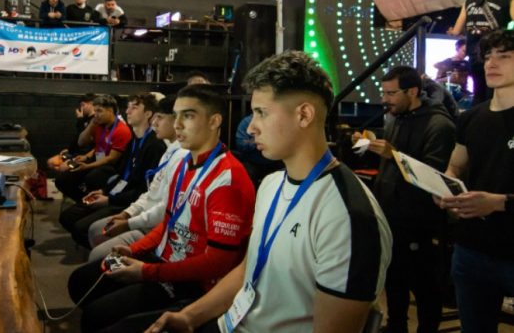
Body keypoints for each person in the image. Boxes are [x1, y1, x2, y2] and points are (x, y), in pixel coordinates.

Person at [146, 51, 392, 333]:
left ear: (304, 115)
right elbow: (249, 269)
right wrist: (190, 317)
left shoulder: (349, 217)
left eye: (261, 113)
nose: (251, 128)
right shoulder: (271, 183)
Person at [68, 84, 255, 332]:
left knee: (96, 317)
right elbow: (169, 223)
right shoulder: (183, 163)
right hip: (163, 260)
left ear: (214, 121)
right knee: (81, 281)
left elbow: (218, 263)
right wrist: (133, 249)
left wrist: (147, 272)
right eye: (176, 115)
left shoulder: (227, 178)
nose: (177, 124)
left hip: (194, 283)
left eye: (188, 116)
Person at [352, 66, 455, 333]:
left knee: (425, 286)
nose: (385, 99)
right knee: (394, 277)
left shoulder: (439, 125)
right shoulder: (396, 118)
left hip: (421, 220)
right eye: (383, 93)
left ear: (412, 91)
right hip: (391, 213)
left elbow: (433, 175)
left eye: (391, 93)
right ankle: (395, 325)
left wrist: (394, 155)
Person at [435, 30, 514, 333]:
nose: (492, 63)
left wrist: (499, 203)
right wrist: (445, 189)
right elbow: (455, 166)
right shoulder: (472, 117)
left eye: (504, 56)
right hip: (472, 248)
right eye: (488, 56)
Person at [87, 96, 188, 262]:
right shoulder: (168, 151)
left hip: (154, 226)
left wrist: (129, 221)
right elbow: (150, 192)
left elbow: (165, 207)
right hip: (142, 212)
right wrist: (127, 213)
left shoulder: (174, 153)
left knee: (96, 254)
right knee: (94, 230)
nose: (155, 122)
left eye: (160, 117)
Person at [59, 93, 166, 248]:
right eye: (128, 107)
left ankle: (103, 253)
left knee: (80, 228)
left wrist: (109, 199)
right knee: (67, 217)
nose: (128, 111)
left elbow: (143, 190)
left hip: (128, 202)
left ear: (148, 114)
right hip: (117, 193)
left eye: (134, 107)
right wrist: (103, 191)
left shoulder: (155, 146)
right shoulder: (134, 141)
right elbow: (122, 175)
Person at [54, 95, 132, 201]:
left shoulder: (122, 130)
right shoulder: (99, 125)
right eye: (95, 111)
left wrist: (87, 166)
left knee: (91, 178)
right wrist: (91, 125)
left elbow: (111, 158)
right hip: (96, 159)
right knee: (62, 179)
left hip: (110, 166)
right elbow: (81, 142)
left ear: (110, 110)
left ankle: (90, 202)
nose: (96, 115)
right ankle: (83, 201)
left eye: (99, 111)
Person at [448, 0, 514, 104]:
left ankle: (478, 114)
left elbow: (456, 31)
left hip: (475, 56)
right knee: (495, 93)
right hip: (497, 54)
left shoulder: (469, 0)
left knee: (478, 92)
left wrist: (451, 31)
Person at [47, 93, 96, 172]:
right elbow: (78, 138)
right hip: (74, 153)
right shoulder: (83, 119)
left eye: (83, 105)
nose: (81, 108)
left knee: (63, 167)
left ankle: (68, 174)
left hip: (83, 155)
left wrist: (86, 157)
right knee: (51, 162)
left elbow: (86, 142)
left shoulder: (95, 120)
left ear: (91, 103)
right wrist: (69, 150)